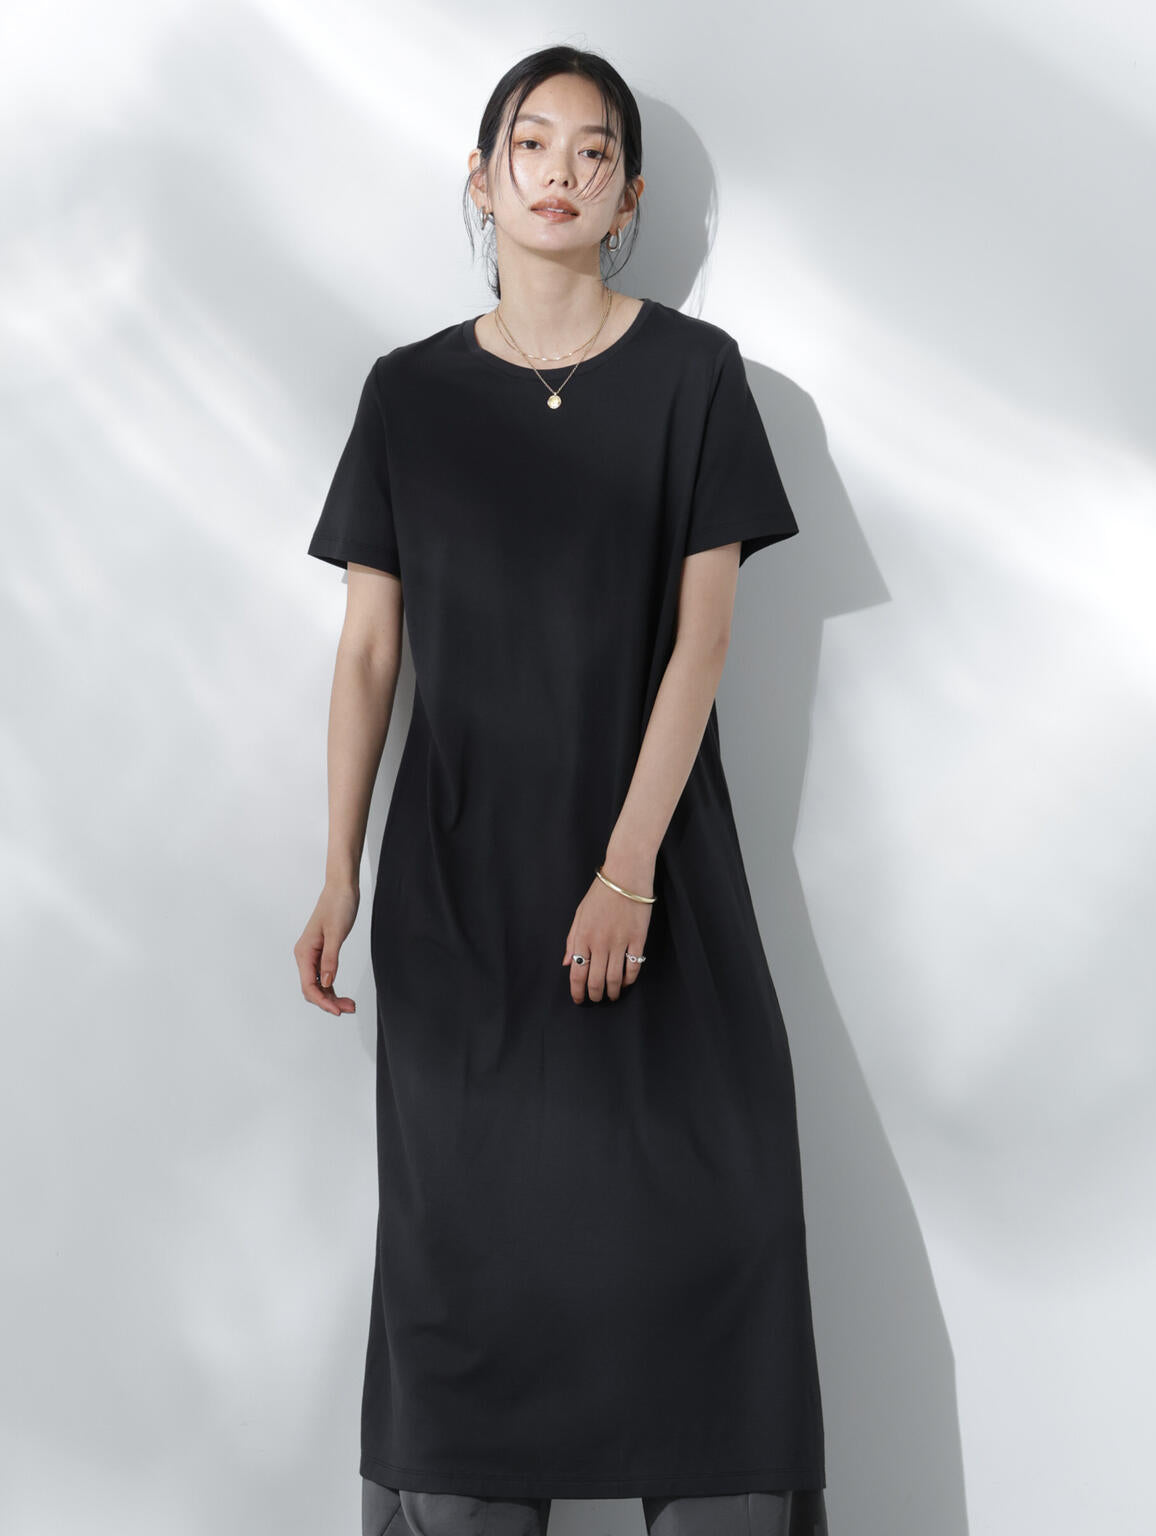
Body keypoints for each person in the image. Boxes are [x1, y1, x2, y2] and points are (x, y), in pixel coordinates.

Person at [294, 44, 828, 1536]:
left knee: (715, 1243)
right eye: (532, 144)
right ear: (481, 179)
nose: (561, 172)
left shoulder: (695, 378)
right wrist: (338, 871)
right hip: (460, 902)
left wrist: (628, 869)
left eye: (595, 152)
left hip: (660, 891)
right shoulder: (407, 393)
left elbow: (703, 641)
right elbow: (370, 651)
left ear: (628, 199)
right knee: (469, 1283)